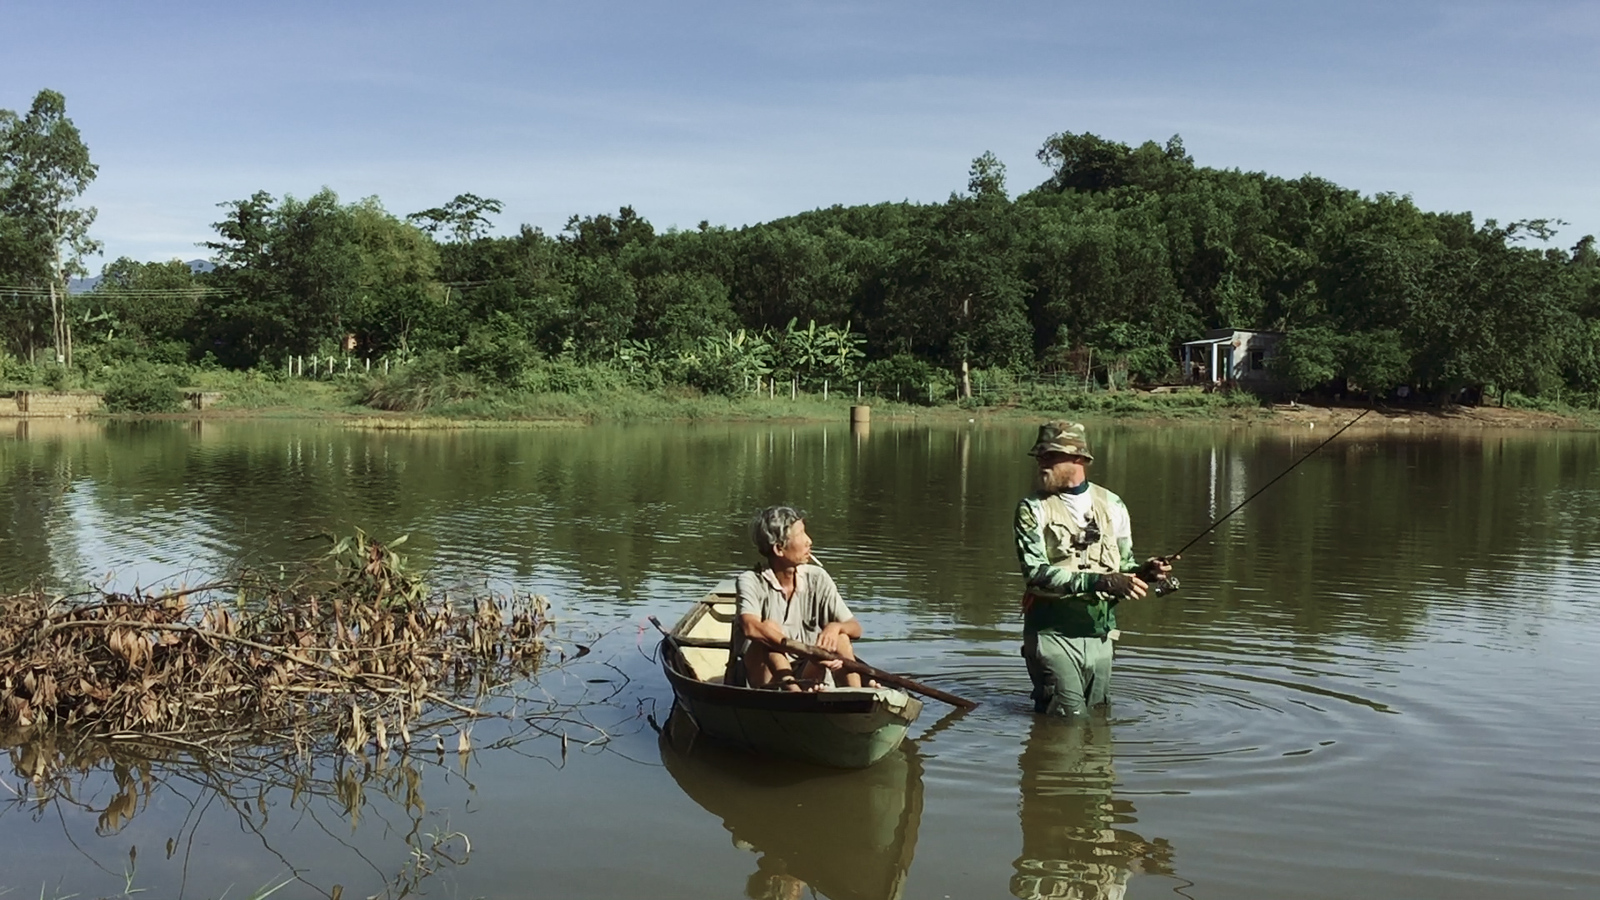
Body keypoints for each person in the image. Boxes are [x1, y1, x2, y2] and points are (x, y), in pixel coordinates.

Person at [1014, 422, 1173, 716]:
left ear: (1079, 459)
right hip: (1052, 635)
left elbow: (1123, 568)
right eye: (1039, 457)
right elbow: (1035, 573)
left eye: (1050, 456)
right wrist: (1101, 582)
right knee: (1067, 722)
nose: (1041, 463)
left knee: (1099, 719)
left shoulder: (1114, 505)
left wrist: (1145, 573)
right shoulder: (1032, 508)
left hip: (1101, 636)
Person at [735, 506, 865, 691]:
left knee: (841, 638)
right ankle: (794, 692)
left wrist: (835, 627)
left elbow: (856, 628)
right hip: (767, 680)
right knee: (768, 630)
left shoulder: (817, 578)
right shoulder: (750, 581)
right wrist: (807, 651)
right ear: (779, 549)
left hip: (808, 671)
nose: (809, 541)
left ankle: (858, 700)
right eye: (801, 534)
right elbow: (750, 627)